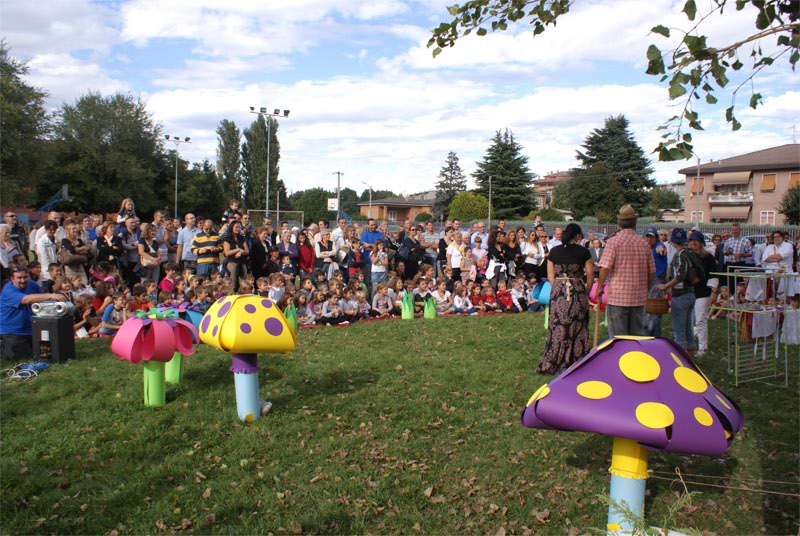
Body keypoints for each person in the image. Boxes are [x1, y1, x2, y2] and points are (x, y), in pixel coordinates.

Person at [536, 223, 593, 375]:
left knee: (558, 325)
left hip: (559, 290)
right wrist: (584, 292)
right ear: (578, 236)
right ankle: (576, 358)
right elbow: (590, 275)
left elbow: (550, 276)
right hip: (577, 290)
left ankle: (555, 356)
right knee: (577, 325)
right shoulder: (584, 252)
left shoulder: (554, 251)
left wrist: (558, 289)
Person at [595, 205, 655, 338]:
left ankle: (619, 358)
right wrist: (645, 287)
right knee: (637, 336)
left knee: (618, 338)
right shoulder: (644, 244)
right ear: (635, 223)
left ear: (619, 223)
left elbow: (605, 267)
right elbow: (651, 272)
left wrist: (599, 287)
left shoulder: (613, 242)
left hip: (618, 297)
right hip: (638, 298)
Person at [1, 266, 68, 360]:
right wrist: (50, 295)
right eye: (19, 278)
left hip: (32, 328)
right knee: (21, 356)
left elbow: (41, 300)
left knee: (47, 353)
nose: (23, 280)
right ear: (12, 279)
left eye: (25, 277)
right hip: (12, 331)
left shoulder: (32, 285)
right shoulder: (8, 290)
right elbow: (27, 299)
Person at [657, 228, 697, 356]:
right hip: (691, 294)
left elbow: (680, 275)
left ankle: (681, 362)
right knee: (688, 328)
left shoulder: (680, 254)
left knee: (679, 329)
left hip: (680, 295)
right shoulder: (691, 253)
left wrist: (666, 286)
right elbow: (701, 273)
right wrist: (691, 283)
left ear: (673, 241)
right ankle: (690, 359)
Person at [688, 230, 716, 356]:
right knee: (690, 319)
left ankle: (702, 347)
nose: (693, 243)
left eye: (696, 240)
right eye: (691, 240)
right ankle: (689, 346)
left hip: (703, 291)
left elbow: (713, 275)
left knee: (700, 319)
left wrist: (714, 292)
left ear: (701, 242)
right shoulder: (686, 255)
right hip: (689, 291)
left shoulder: (708, 257)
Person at [643, 225, 668, 337]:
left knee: (653, 310)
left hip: (657, 281)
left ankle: (648, 335)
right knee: (652, 310)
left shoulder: (658, 246)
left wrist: (662, 251)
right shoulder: (645, 247)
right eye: (647, 237)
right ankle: (656, 337)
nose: (649, 239)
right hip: (648, 280)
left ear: (656, 238)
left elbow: (661, 249)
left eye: (652, 237)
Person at [222, 221, 249, 293]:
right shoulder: (227, 239)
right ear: (232, 228)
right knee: (233, 276)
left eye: (239, 227)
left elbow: (247, 251)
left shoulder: (241, 238)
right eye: (236, 227)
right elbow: (227, 252)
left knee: (244, 278)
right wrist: (237, 250)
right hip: (231, 261)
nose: (238, 229)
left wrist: (241, 252)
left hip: (241, 262)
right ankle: (232, 292)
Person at [61, 221, 90, 286]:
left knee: (84, 283)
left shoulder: (79, 240)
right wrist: (82, 248)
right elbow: (71, 250)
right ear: (68, 230)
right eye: (73, 229)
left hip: (80, 265)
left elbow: (86, 252)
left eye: (75, 228)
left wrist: (78, 249)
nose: (75, 230)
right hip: (70, 267)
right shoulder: (65, 240)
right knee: (73, 284)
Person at [119, 216, 141, 286]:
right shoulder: (122, 233)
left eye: (134, 222)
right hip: (127, 259)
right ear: (126, 223)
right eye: (131, 223)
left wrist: (134, 244)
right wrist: (134, 246)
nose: (133, 224)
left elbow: (141, 241)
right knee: (128, 279)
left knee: (136, 279)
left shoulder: (138, 232)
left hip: (137, 259)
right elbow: (123, 245)